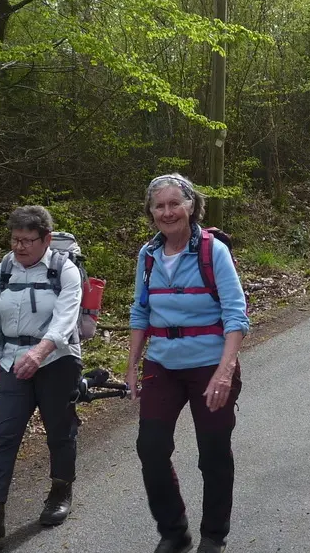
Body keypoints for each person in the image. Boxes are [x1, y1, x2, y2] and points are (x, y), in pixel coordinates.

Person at [127, 174, 249, 553]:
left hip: (210, 364)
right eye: (159, 206)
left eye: (174, 204)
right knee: (151, 446)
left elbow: (236, 314)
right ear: (151, 212)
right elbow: (140, 312)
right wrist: (131, 366)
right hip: (163, 365)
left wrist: (225, 371)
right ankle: (174, 530)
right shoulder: (148, 255)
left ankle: (214, 535)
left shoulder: (213, 252)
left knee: (212, 451)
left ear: (191, 206)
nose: (168, 212)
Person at [0, 205, 83, 545]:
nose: (20, 247)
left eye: (28, 240)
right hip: (12, 361)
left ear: (46, 240)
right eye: (15, 239)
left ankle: (60, 491)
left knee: (59, 429)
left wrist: (40, 352)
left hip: (57, 360)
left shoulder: (65, 270)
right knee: (4, 435)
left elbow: (66, 319)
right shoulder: (4, 269)